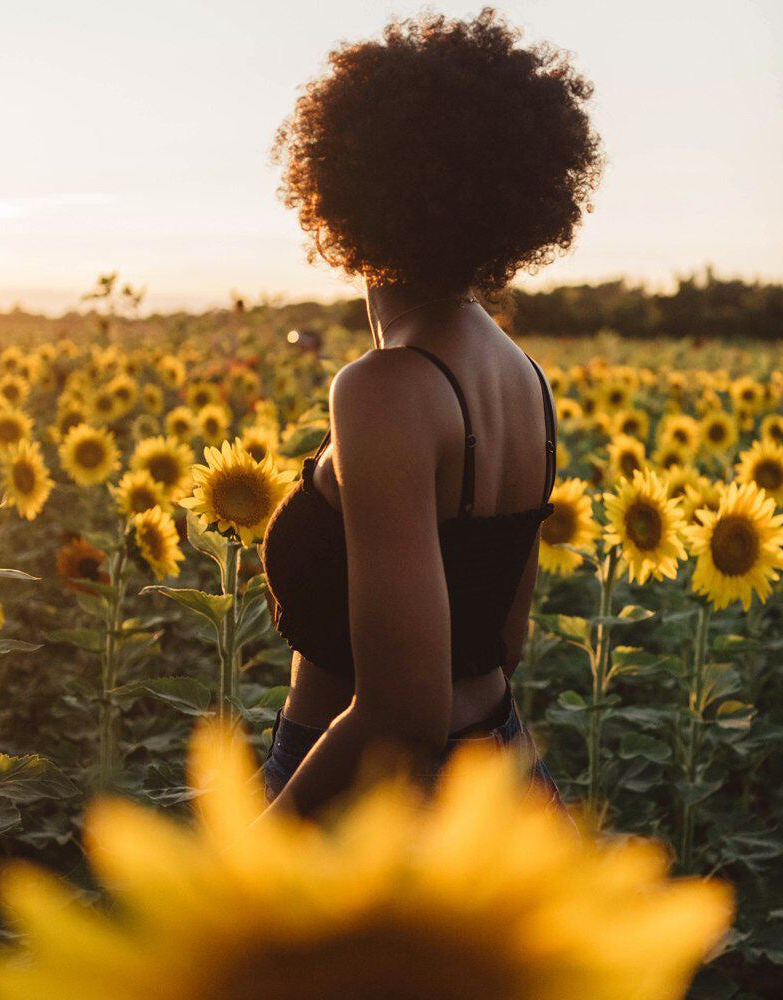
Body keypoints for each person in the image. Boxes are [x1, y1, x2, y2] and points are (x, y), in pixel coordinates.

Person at [257, 8, 604, 821]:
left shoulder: (385, 388)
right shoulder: (523, 376)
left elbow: (401, 716)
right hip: (501, 779)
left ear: (341, 182)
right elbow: (500, 643)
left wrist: (255, 859)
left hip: (373, 803)